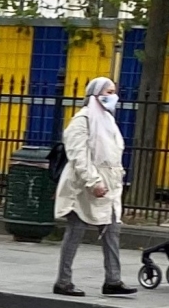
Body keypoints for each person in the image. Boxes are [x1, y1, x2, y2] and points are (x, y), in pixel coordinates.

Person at [55, 74, 132, 296]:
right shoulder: (83, 120)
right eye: (109, 92)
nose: (114, 96)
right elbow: (78, 155)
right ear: (96, 95)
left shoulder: (107, 120)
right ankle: (63, 281)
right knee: (76, 231)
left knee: (112, 231)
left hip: (109, 187)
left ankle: (113, 280)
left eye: (114, 92)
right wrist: (93, 181)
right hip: (84, 187)